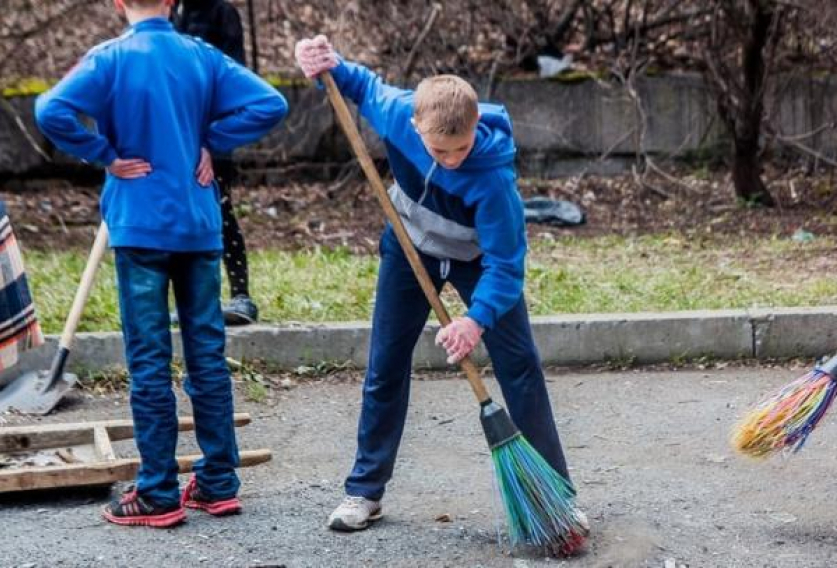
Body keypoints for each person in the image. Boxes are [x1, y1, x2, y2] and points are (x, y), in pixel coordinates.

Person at [294, 35, 585, 535]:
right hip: (410, 249)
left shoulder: (494, 181)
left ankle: (555, 497)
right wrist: (324, 60)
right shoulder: (396, 112)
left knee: (520, 367)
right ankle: (365, 491)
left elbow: (507, 267)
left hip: (477, 262)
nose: (451, 159)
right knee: (385, 364)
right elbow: (359, 83)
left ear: (475, 130)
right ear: (415, 128)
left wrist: (475, 320)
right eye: (438, 150)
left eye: (461, 148)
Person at [35, 0, 287, 528]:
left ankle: (157, 493)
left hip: (141, 226)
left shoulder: (110, 58)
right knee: (207, 355)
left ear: (117, 2)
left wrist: (103, 153)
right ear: (172, 1)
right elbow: (270, 104)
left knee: (149, 361)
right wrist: (210, 141)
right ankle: (219, 482)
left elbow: (50, 111)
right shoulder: (201, 55)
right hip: (198, 227)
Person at [172, 0, 258, 325]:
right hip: (175, 138)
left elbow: (236, 79)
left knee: (221, 211)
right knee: (181, 216)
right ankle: (193, 299)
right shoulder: (168, 13)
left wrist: (212, 138)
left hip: (213, 137)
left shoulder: (222, 14)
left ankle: (240, 294)